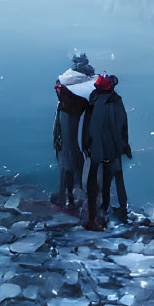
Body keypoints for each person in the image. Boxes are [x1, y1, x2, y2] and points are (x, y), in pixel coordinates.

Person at [82, 73, 132, 230]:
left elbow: (86, 124)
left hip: (95, 144)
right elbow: (122, 124)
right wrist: (125, 145)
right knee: (116, 176)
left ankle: (94, 215)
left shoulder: (93, 100)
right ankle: (118, 210)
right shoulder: (116, 101)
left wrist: (86, 143)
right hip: (112, 145)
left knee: (94, 176)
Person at [52, 51, 97, 208]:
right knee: (76, 158)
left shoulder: (65, 84)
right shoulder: (88, 86)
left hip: (67, 124)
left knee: (66, 160)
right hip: (79, 124)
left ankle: (66, 197)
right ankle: (78, 195)